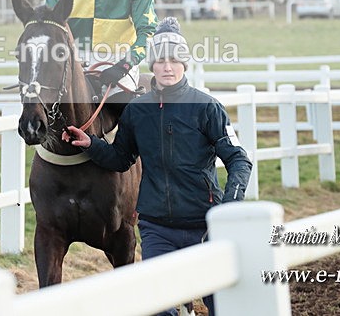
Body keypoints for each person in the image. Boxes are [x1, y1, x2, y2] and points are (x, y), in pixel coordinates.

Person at [63, 18, 253, 316]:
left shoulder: (207, 108)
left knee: (221, 303)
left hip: (203, 225)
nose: (167, 67)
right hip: (156, 228)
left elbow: (238, 159)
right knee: (159, 307)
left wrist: (231, 203)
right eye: (161, 60)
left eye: (174, 60)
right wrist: (91, 144)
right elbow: (121, 158)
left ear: (184, 65)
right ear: (152, 65)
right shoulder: (138, 110)